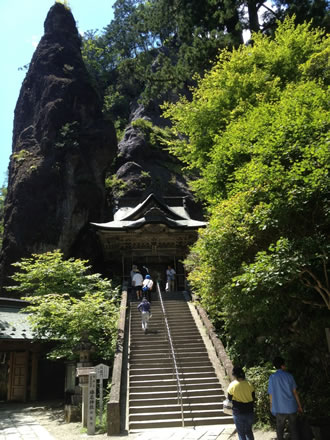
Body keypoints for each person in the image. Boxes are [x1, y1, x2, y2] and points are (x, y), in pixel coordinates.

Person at [268, 356, 303, 440]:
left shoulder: (272, 377)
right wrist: (299, 406)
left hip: (279, 408)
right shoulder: (289, 376)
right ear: (282, 365)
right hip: (291, 407)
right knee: (294, 430)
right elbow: (295, 392)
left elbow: (271, 394)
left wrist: (271, 406)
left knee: (280, 431)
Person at [227, 366, 255, 440]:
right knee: (248, 431)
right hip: (249, 411)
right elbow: (253, 397)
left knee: (241, 433)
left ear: (235, 375)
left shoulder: (232, 385)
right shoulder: (249, 384)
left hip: (238, 412)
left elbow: (229, 398)